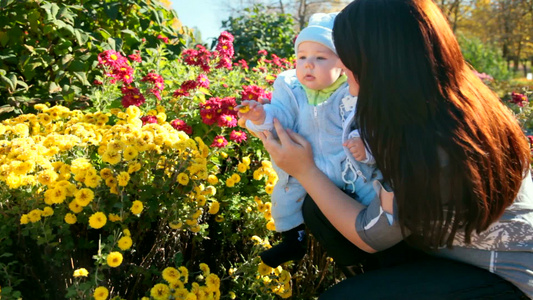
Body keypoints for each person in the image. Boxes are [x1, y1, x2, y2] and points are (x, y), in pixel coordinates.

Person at [255, 0, 533, 298]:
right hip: (448, 254)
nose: (341, 61)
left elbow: (371, 235)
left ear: (376, 58)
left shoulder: (431, 131)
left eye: (345, 50)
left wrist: (304, 170)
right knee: (320, 208)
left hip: (508, 278)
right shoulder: (433, 101)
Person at [237, 12, 383, 269]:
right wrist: (261, 115)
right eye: (302, 57)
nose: (308, 64)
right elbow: (279, 117)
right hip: (306, 162)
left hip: (349, 167)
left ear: (342, 63)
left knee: (371, 196)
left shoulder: (350, 90)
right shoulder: (291, 87)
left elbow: (369, 123)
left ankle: (377, 250)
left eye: (320, 57)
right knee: (286, 195)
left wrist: (364, 145)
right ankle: (293, 239)